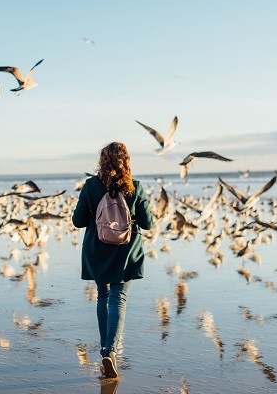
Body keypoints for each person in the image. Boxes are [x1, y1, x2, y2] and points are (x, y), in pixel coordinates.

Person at [72, 142, 154, 378]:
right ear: (126, 161)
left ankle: (105, 349)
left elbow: (78, 221)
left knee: (103, 296)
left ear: (102, 161)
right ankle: (111, 350)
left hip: (97, 250)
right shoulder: (135, 187)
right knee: (119, 297)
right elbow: (148, 224)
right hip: (126, 252)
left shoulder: (90, 186)